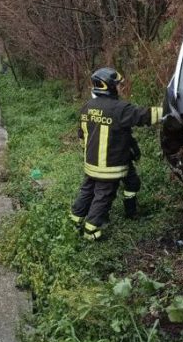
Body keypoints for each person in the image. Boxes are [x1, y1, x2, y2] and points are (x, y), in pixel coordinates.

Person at [69, 68, 162, 241]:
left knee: (88, 191)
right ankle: (91, 230)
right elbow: (144, 116)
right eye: (118, 85)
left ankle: (74, 221)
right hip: (110, 167)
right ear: (110, 86)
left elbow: (82, 135)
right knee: (103, 196)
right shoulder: (120, 109)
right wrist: (170, 111)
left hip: (91, 163)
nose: (121, 88)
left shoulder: (87, 107)